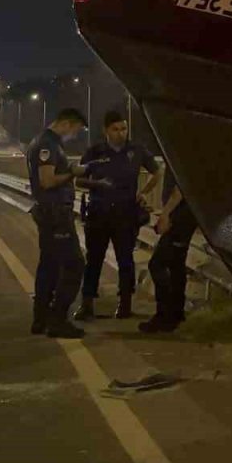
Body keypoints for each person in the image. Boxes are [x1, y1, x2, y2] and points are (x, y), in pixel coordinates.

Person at [74, 110, 162, 321]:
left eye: (123, 128)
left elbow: (156, 172)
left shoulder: (136, 150)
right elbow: (79, 180)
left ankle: (125, 304)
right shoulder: (95, 151)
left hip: (125, 214)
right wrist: (98, 184)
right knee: (94, 259)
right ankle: (87, 304)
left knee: (125, 260)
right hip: (98, 213)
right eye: (116, 129)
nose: (121, 133)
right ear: (106, 130)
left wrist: (143, 193)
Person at [26, 108, 96, 338]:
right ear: (67, 123)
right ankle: (58, 320)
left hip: (48, 213)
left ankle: (41, 319)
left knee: (49, 265)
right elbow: (47, 181)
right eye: (76, 130)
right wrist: (72, 172)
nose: (74, 135)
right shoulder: (48, 145)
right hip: (55, 214)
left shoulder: (42, 141)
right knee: (75, 264)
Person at [139, 159, 198, 333]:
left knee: (157, 264)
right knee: (176, 264)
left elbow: (180, 188)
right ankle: (176, 313)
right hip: (186, 214)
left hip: (180, 215)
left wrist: (166, 215)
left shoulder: (179, 153)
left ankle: (164, 315)